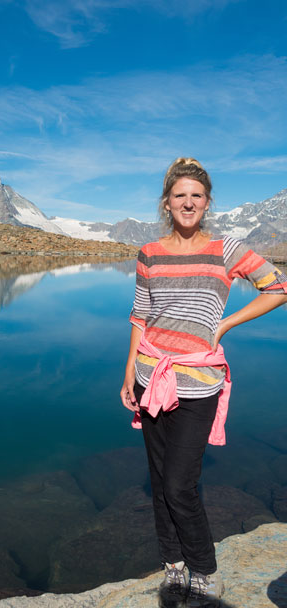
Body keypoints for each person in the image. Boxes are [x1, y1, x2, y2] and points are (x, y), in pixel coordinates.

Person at [120, 157, 287, 608]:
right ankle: (173, 566)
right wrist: (128, 373)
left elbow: (278, 287)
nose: (188, 202)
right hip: (149, 378)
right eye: (180, 195)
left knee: (179, 484)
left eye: (196, 195)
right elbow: (139, 315)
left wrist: (225, 324)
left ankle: (206, 572)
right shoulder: (149, 253)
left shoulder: (226, 248)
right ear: (167, 203)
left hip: (198, 383)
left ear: (207, 202)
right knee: (158, 481)